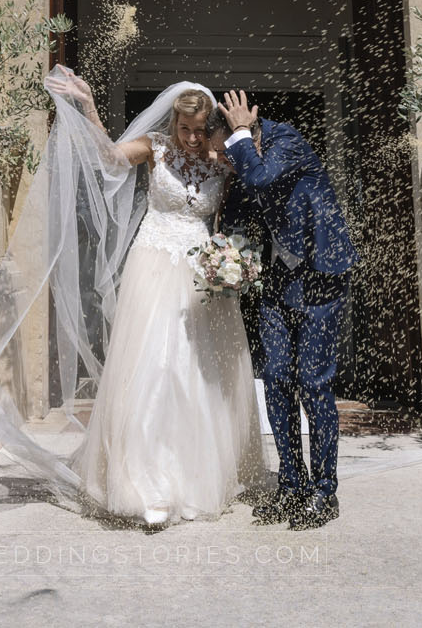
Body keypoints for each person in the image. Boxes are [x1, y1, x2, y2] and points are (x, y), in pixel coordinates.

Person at [44, 77, 260, 527]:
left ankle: (196, 479)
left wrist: (245, 135)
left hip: (202, 274)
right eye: (186, 128)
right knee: (153, 369)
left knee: (198, 374)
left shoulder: (221, 160)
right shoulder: (156, 147)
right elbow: (109, 159)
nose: (193, 138)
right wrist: (89, 106)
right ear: (174, 121)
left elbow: (260, 177)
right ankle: (147, 485)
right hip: (153, 266)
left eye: (201, 129)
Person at [218, 88, 355, 531]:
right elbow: (239, 208)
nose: (233, 161)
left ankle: (323, 491)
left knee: (314, 382)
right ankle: (292, 487)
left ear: (251, 129)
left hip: (320, 274)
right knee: (276, 379)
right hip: (279, 276)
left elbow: (260, 178)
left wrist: (238, 135)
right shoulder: (243, 156)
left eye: (236, 148)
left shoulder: (286, 140)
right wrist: (226, 257)